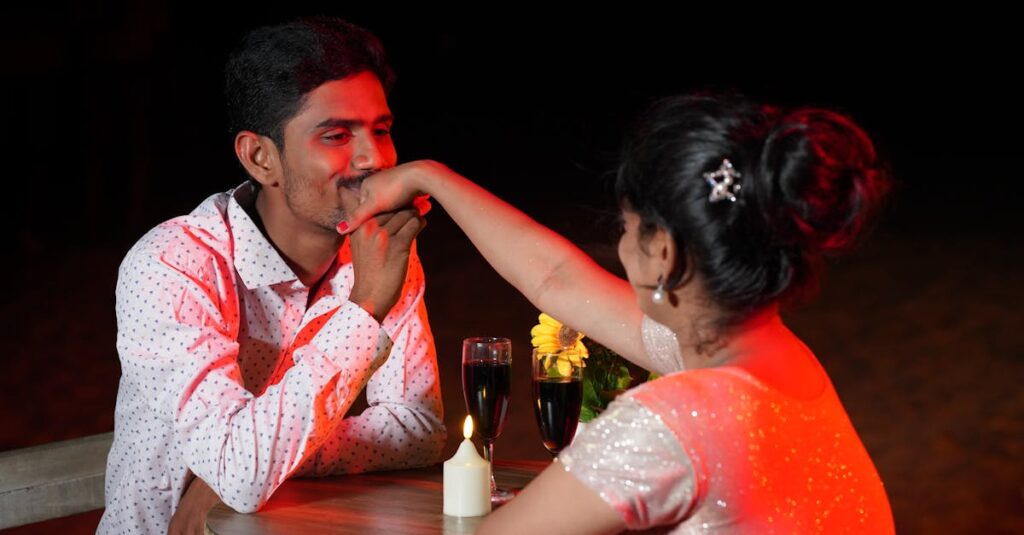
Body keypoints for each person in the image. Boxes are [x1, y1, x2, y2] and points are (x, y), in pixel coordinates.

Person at [343, 93, 895, 533]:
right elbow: (555, 279)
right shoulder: (775, 357)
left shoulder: (675, 418)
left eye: (627, 227)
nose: (622, 244)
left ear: (665, 253)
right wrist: (429, 177)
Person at [100, 17, 445, 534]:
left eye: (381, 129)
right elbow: (243, 473)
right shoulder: (172, 265)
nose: (375, 158)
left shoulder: (376, 249)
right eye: (335, 135)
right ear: (261, 158)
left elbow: (420, 428)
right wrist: (365, 307)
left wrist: (244, 465)